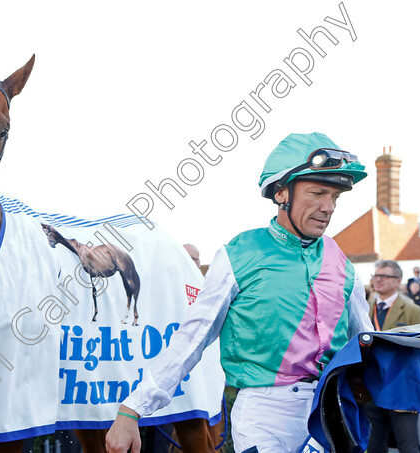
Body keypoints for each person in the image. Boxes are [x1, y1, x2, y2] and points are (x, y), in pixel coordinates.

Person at [106, 133, 373, 453]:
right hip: (264, 413)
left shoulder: (341, 262)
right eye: (317, 193)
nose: (328, 207)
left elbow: (368, 342)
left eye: (335, 197)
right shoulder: (239, 254)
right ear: (281, 192)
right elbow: (191, 338)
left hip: (331, 412)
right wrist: (131, 410)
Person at [365, 259, 420, 453]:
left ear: (398, 280)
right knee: (373, 445)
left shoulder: (413, 312)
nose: (378, 280)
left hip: (402, 389)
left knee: (407, 446)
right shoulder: (362, 309)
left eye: (385, 276)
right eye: (376, 275)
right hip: (369, 387)